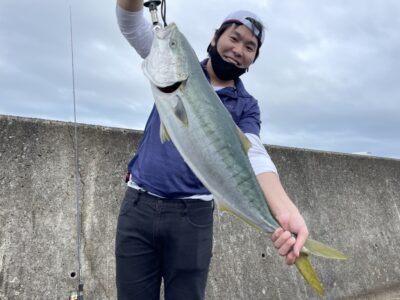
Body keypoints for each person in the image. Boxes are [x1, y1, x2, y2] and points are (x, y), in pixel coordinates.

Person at [115, 1, 309, 299]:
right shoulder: (179, 66)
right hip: (138, 206)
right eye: (233, 37)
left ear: (252, 60)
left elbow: (254, 153)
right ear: (214, 38)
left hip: (192, 217)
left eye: (250, 46)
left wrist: (284, 210)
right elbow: (130, 21)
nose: (238, 49)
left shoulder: (246, 106)